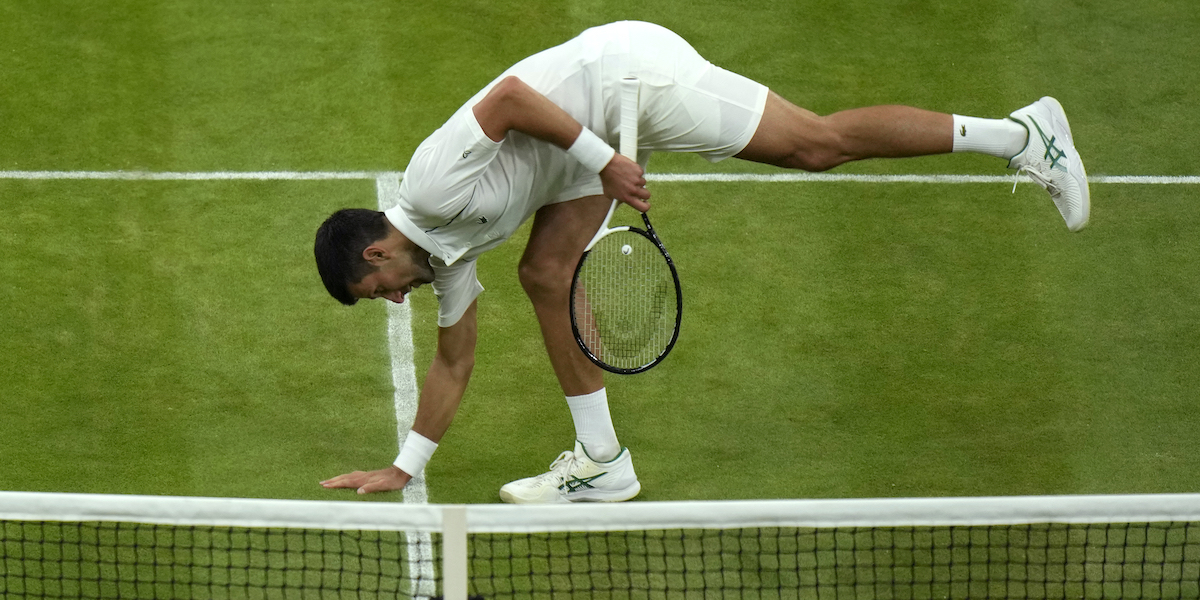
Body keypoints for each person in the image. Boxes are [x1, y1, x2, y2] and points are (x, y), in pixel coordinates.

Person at [314, 20, 1089, 503]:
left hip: (626, 80)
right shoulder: (442, 260)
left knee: (814, 146)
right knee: (545, 274)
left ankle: (1024, 136)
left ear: (378, 251)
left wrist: (605, 160)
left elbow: (513, 97)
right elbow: (453, 361)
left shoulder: (429, 183)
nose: (389, 300)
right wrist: (404, 466)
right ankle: (602, 462)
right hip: (582, 148)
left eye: (373, 288)